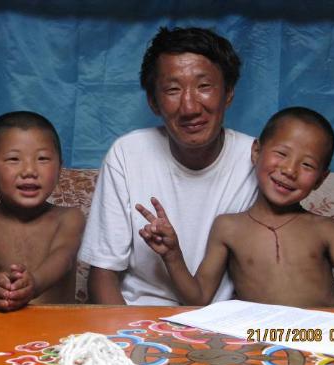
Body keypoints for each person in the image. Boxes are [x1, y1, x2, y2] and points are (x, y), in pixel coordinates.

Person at [78, 27, 258, 305]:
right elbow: (104, 273)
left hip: (224, 326)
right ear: (153, 102)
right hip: (138, 319)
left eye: (204, 86)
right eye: (173, 89)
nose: (189, 107)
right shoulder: (127, 154)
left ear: (229, 93)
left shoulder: (257, 158)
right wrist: (122, 341)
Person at [137, 106, 334, 308]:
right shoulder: (228, 227)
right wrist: (172, 255)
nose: (289, 170)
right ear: (256, 151)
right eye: (281, 153)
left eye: (307, 165)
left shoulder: (327, 229)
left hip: (326, 335)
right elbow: (198, 298)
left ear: (320, 179)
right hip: (262, 338)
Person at [0, 111, 85, 312]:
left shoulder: (70, 218)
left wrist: (34, 283)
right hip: (1, 331)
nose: (29, 171)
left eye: (42, 158)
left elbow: (64, 256)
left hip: (59, 332)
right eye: (13, 159)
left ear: (59, 170)